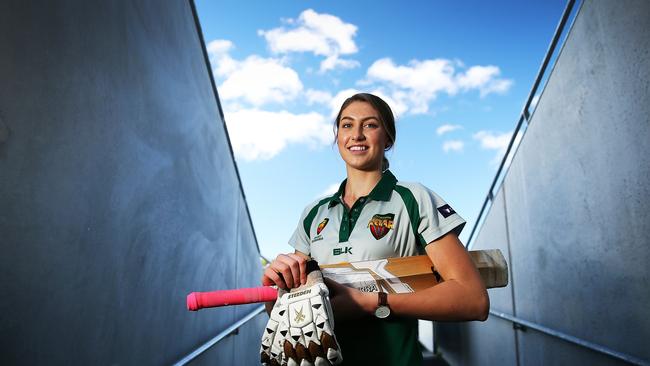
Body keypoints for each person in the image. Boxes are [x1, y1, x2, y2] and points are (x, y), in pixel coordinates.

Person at [262, 93, 489, 365]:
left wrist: (369, 303)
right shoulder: (314, 213)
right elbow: (294, 309)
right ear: (337, 138)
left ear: (388, 138)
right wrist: (276, 289)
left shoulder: (413, 198)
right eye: (347, 125)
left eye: (370, 125)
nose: (356, 134)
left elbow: (472, 299)